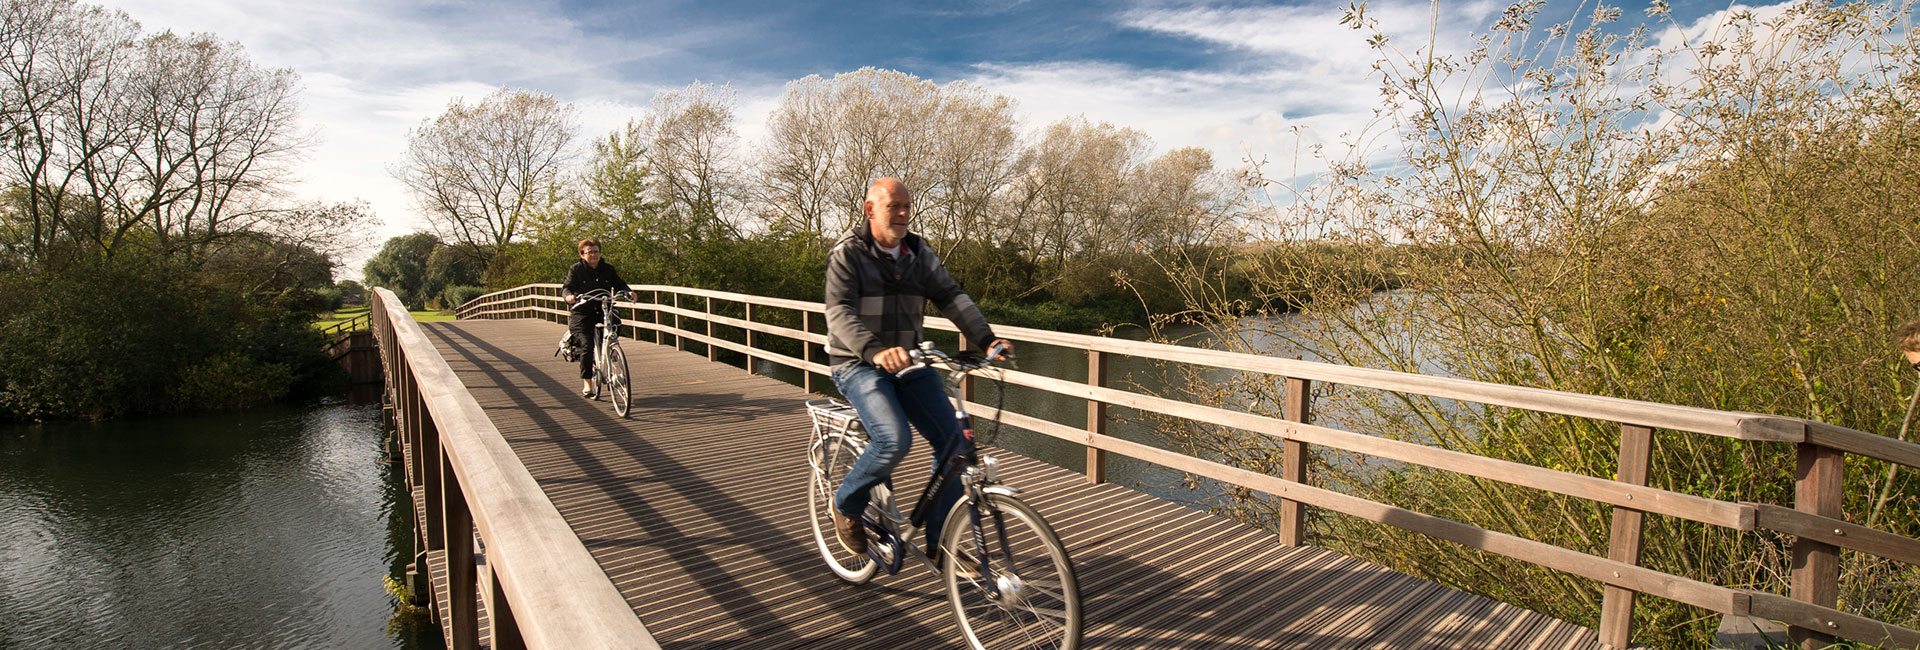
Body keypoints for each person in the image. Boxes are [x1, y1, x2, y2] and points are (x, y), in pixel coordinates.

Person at [824, 177, 1011, 563]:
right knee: (894, 440)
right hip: (858, 363)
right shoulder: (848, 253)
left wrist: (987, 340)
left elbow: (950, 296)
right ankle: (846, 503)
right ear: (870, 209)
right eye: (894, 206)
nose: (904, 213)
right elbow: (839, 311)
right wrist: (874, 351)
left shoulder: (917, 252)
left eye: (907, 206)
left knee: (953, 444)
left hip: (910, 361)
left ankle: (942, 542)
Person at [562, 238, 631, 398]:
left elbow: (619, 284)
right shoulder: (576, 270)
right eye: (589, 252)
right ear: (582, 254)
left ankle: (609, 351)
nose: (593, 255)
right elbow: (567, 288)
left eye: (596, 251)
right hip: (583, 312)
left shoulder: (608, 269)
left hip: (603, 309)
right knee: (587, 346)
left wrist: (628, 292)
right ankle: (587, 382)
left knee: (616, 326)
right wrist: (569, 297)